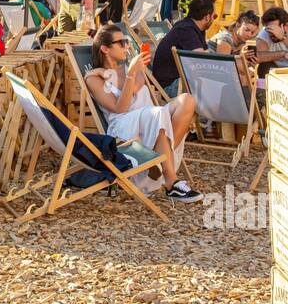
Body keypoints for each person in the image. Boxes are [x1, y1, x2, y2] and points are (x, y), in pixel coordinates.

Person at [84, 24, 201, 203]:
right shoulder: (93, 78)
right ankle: (171, 183)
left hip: (149, 122)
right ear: (105, 49)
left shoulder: (130, 69)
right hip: (123, 129)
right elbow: (119, 108)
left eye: (127, 41)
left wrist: (131, 71)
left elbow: (137, 87)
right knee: (158, 114)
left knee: (187, 100)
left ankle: (157, 160)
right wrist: (130, 73)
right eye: (121, 42)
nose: (127, 46)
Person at [152, 0, 216, 96]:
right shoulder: (186, 29)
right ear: (207, 17)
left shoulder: (193, 27)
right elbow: (203, 61)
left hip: (181, 80)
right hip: (170, 85)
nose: (214, 20)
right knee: (217, 88)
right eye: (214, 16)